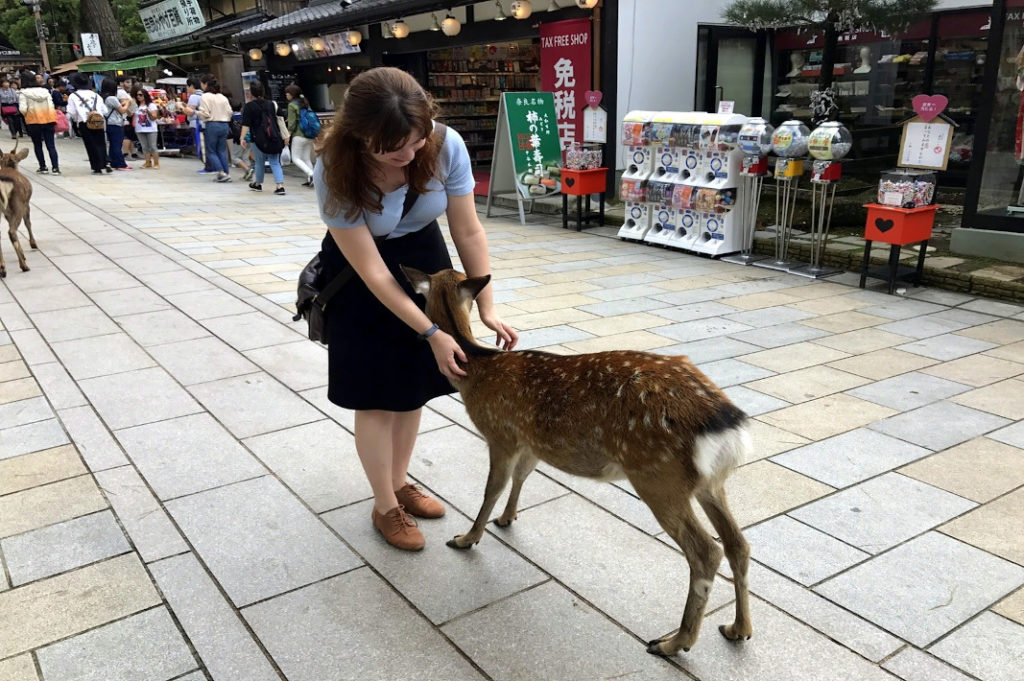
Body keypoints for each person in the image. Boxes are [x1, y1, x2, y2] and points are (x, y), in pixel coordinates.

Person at [312, 67, 517, 551]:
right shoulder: (335, 166)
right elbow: (374, 273)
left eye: (416, 140)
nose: (409, 155)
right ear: (360, 136)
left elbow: (467, 231)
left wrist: (484, 306)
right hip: (363, 277)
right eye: (393, 148)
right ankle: (385, 506)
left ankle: (400, 481)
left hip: (424, 260)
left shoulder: (445, 145)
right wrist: (432, 332)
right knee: (376, 396)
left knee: (412, 388)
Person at [240, 81, 287, 195]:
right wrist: (286, 136)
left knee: (259, 162)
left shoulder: (249, 106)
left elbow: (246, 124)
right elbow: (280, 120)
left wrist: (242, 138)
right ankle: (279, 186)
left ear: (251, 93)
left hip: (258, 138)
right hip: (274, 137)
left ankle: (258, 183)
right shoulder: (273, 104)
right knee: (275, 161)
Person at [67, 73, 110, 174]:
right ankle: (106, 162)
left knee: (91, 144)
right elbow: (105, 110)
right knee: (101, 143)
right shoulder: (95, 95)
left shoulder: (73, 96)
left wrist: (77, 118)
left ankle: (97, 167)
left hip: (85, 122)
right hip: (98, 120)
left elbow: (72, 112)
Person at [18, 71, 59, 174]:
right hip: (48, 119)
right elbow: (51, 105)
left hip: (33, 121)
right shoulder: (45, 91)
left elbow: (22, 109)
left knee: (37, 145)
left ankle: (43, 167)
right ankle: (55, 168)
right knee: (51, 145)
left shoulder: (23, 93)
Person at [196, 77, 233, 182]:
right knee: (221, 150)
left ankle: (221, 172)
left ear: (205, 84)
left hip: (212, 124)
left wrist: (196, 112)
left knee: (211, 150)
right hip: (224, 124)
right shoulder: (222, 97)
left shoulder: (205, 96)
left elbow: (205, 113)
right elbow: (230, 112)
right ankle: (226, 173)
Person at [285, 84, 316, 186]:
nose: (286, 95)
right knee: (306, 158)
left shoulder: (291, 105)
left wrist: (287, 135)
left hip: (299, 135)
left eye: (287, 93)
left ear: (292, 94)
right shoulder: (305, 103)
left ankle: (311, 174)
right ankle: (312, 180)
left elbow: (292, 124)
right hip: (309, 135)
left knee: (295, 158)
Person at [101, 77, 130, 170]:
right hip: (115, 123)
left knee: (113, 144)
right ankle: (121, 164)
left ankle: (113, 162)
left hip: (108, 123)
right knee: (117, 144)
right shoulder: (112, 98)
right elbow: (122, 110)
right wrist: (128, 102)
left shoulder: (103, 97)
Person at [131, 87, 160, 169]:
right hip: (140, 128)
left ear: (145, 95)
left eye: (140, 95)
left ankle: (156, 163)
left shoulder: (151, 105)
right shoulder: (136, 106)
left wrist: (148, 112)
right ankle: (147, 162)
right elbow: (132, 115)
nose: (138, 96)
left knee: (153, 146)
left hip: (151, 129)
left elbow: (154, 117)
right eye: (137, 95)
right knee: (144, 146)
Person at [116, 74, 137, 160]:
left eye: (130, 82)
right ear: (121, 83)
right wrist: (129, 112)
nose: (130, 84)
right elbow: (124, 104)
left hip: (126, 116)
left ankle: (132, 153)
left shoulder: (122, 92)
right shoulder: (121, 92)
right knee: (126, 136)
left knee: (129, 135)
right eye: (127, 82)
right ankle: (126, 154)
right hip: (124, 117)